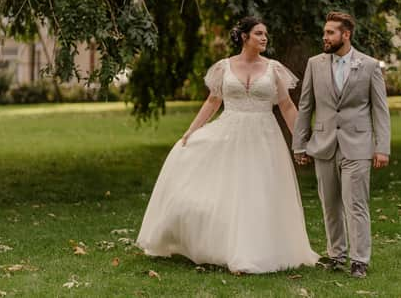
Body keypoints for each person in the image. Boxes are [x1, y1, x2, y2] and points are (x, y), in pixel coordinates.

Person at [136, 16, 319, 273]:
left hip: (264, 137)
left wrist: (301, 140)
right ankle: (219, 245)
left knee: (257, 192)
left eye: (266, 34)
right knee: (228, 191)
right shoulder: (223, 67)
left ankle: (254, 252)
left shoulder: (274, 69)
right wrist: (191, 130)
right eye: (259, 33)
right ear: (244, 37)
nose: (264, 38)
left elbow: (287, 106)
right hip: (229, 133)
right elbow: (212, 101)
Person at [292, 11, 391, 278]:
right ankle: (336, 255)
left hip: (358, 146)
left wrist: (382, 147)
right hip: (323, 143)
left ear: (345, 34)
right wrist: (299, 144)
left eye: (330, 33)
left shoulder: (369, 65)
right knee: (330, 204)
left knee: (355, 204)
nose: (324, 37)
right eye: (324, 32)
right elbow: (305, 106)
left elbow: (380, 110)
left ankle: (360, 260)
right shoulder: (314, 64)